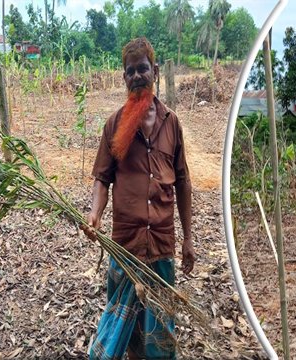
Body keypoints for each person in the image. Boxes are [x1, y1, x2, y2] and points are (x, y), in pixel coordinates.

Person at [81, 37, 195, 360]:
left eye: (142, 69)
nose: (136, 76)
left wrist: (188, 240)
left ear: (155, 71)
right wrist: (95, 214)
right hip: (125, 249)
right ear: (124, 78)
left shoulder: (171, 124)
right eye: (130, 71)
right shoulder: (114, 125)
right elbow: (102, 178)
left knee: (158, 335)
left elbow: (184, 183)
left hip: (161, 247)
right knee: (124, 335)